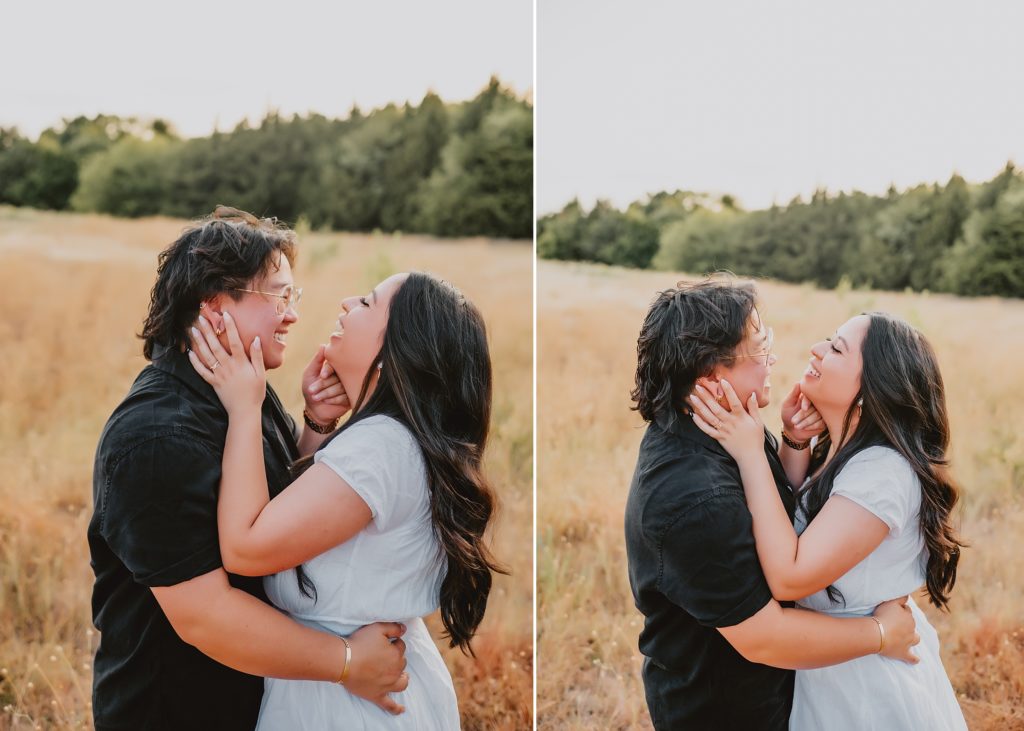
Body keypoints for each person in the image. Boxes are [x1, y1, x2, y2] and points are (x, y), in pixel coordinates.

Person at [89, 207, 407, 731]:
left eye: (293, 297)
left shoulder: (241, 390)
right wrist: (348, 661)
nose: (292, 315)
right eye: (279, 296)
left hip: (250, 696)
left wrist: (315, 426)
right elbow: (205, 616)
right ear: (214, 306)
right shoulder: (153, 439)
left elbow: (274, 515)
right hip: (176, 710)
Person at [186, 270, 502, 729]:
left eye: (368, 304)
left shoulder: (379, 448)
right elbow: (310, 526)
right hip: (370, 688)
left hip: (344, 706)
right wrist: (317, 425)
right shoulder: (395, 441)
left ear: (396, 351)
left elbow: (246, 548)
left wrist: (243, 407)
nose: (347, 303)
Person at [624, 277, 921, 730]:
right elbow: (764, 638)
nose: (774, 360)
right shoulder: (694, 498)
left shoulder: (725, 427)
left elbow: (775, 519)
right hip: (729, 710)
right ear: (711, 377)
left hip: (789, 690)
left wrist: (793, 444)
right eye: (760, 349)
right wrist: (882, 634)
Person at [689, 311, 967, 730]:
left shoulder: (881, 474)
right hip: (832, 670)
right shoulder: (841, 455)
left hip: (866, 690)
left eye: (836, 348)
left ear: (875, 384)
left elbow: (790, 576)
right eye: (826, 340)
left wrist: (749, 454)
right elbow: (787, 529)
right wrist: (796, 444)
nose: (816, 350)